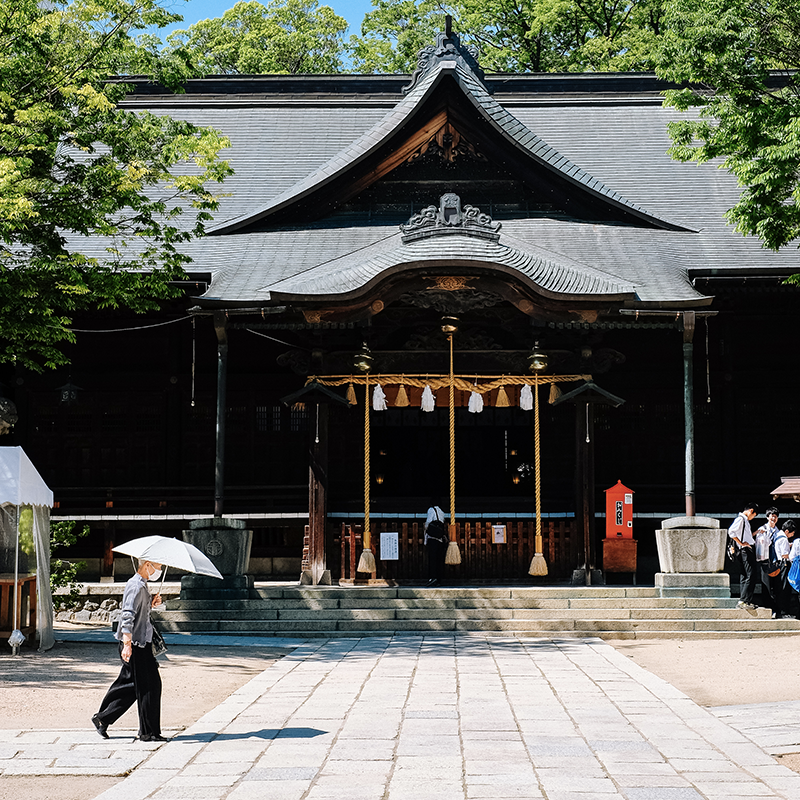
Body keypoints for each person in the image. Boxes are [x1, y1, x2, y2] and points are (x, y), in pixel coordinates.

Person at [92, 559, 167, 742]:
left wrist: (151, 603)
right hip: (135, 644)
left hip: (141, 642)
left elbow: (139, 610)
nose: (159, 570)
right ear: (147, 565)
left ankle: (103, 718)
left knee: (131, 684)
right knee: (148, 685)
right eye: (158, 566)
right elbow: (127, 615)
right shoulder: (135, 585)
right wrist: (127, 644)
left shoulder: (142, 585)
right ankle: (148, 732)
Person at [728, 502, 758, 613]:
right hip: (745, 550)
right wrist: (741, 543)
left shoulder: (742, 520)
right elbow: (731, 532)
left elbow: (746, 535)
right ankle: (744, 601)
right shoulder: (741, 519)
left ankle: (745, 600)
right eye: (753, 515)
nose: (752, 518)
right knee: (751, 574)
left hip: (742, 550)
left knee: (745, 574)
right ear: (751, 511)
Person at [754, 507, 781, 615]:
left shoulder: (778, 531)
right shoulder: (763, 529)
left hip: (775, 561)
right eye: (772, 516)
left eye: (775, 516)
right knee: (767, 586)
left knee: (776, 586)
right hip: (765, 561)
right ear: (767, 517)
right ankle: (767, 609)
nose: (774, 518)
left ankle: (775, 609)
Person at [424, 501, 448, 586]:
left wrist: (425, 536)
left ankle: (432, 577)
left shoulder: (431, 510)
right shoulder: (441, 512)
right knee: (439, 559)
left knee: (432, 559)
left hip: (432, 538)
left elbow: (428, 522)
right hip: (440, 538)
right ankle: (438, 579)